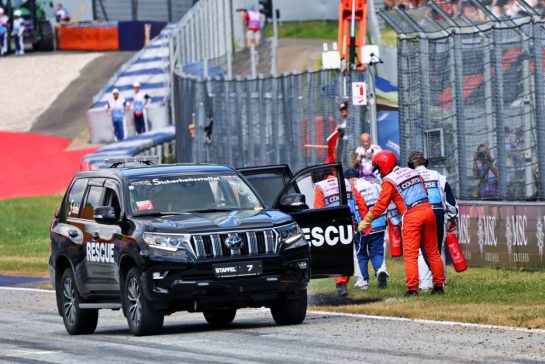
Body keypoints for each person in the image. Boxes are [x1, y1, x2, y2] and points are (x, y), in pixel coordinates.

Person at [358, 150, 445, 297]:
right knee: (433, 251)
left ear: (385, 165)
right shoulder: (412, 172)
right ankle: (438, 287)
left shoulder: (389, 180)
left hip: (411, 216)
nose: (379, 173)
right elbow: (424, 189)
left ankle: (412, 290)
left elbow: (380, 205)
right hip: (428, 210)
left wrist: (366, 221)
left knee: (411, 255)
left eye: (379, 169)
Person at [408, 151, 458, 290]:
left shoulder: (409, 177)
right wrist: (452, 217)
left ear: (411, 165)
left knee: (420, 249)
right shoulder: (438, 175)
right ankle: (440, 281)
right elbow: (450, 200)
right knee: (437, 248)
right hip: (437, 213)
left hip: (417, 212)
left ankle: (425, 283)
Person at [314, 169, 368, 297]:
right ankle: (358, 281)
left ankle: (341, 283)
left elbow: (318, 208)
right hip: (349, 220)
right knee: (351, 252)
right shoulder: (346, 182)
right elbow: (360, 202)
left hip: (332, 224)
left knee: (337, 252)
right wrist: (365, 220)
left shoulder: (320, 186)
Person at [351, 170, 390, 290]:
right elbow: (383, 203)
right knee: (377, 251)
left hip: (363, 225)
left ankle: (363, 282)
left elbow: (354, 209)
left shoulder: (352, 190)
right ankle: (380, 271)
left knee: (360, 253)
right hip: (379, 223)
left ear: (351, 179)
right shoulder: (375, 186)